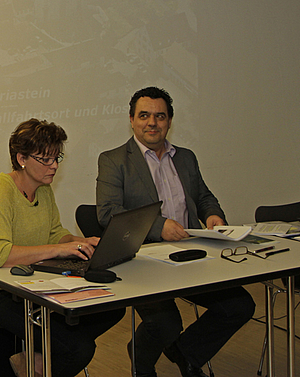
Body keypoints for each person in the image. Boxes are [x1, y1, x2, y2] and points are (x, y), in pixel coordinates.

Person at [96, 87, 255, 377]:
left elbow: (204, 196)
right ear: (131, 120)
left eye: (160, 116)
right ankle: (142, 363)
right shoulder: (113, 160)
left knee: (239, 306)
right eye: (144, 115)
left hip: (194, 254)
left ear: (169, 121)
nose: (152, 123)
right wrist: (159, 226)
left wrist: (214, 215)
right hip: (144, 262)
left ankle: (186, 352)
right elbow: (107, 213)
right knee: (165, 323)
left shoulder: (186, 157)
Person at [0, 119, 125, 377]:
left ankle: (36, 359)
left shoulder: (44, 190)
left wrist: (79, 243)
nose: (54, 166)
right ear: (21, 158)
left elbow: (55, 233)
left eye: (57, 158)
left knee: (111, 307)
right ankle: (45, 359)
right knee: (78, 349)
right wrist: (58, 249)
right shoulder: (0, 189)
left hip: (33, 288)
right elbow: (0, 256)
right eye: (46, 159)